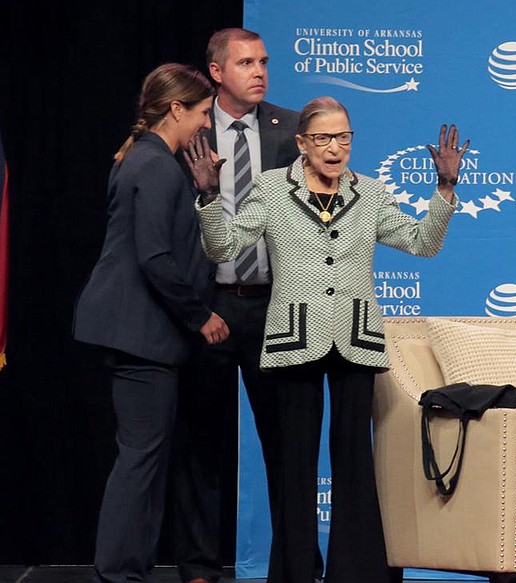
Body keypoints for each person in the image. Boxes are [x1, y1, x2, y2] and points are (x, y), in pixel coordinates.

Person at [186, 96, 469, 583]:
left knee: (354, 457)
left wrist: (445, 187)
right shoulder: (272, 190)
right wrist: (211, 198)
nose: (334, 148)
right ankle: (294, 572)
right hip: (295, 338)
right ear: (301, 143)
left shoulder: (373, 193)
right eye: (322, 138)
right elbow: (224, 247)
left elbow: (423, 243)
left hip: (355, 339)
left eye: (343, 137)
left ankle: (356, 572)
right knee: (294, 462)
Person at [72, 63, 229, 583]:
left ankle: (126, 570)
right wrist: (200, 314)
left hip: (137, 331)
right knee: (141, 459)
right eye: (203, 113)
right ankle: (120, 574)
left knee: (144, 457)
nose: (206, 125)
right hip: (140, 332)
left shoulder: (142, 158)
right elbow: (155, 258)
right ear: (176, 109)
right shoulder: (155, 166)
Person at [171, 28, 306, 583]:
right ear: (217, 72)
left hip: (274, 307)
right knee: (201, 442)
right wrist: (193, 308)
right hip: (209, 307)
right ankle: (200, 567)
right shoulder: (188, 132)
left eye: (264, 62)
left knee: (285, 444)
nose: (260, 72)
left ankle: (294, 563)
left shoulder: (292, 129)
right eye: (246, 62)